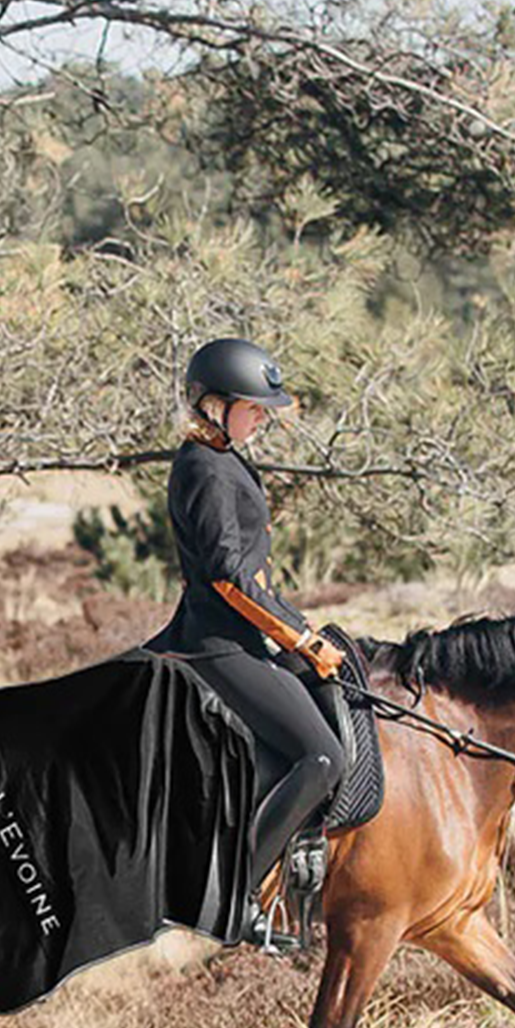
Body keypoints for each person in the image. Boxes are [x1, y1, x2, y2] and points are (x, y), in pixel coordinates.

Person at [149, 338, 348, 918]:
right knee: (321, 757)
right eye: (254, 406)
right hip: (217, 643)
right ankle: (233, 893)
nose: (263, 417)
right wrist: (301, 640)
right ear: (215, 405)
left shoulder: (226, 456)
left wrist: (301, 629)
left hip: (242, 632)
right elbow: (230, 580)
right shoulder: (205, 468)